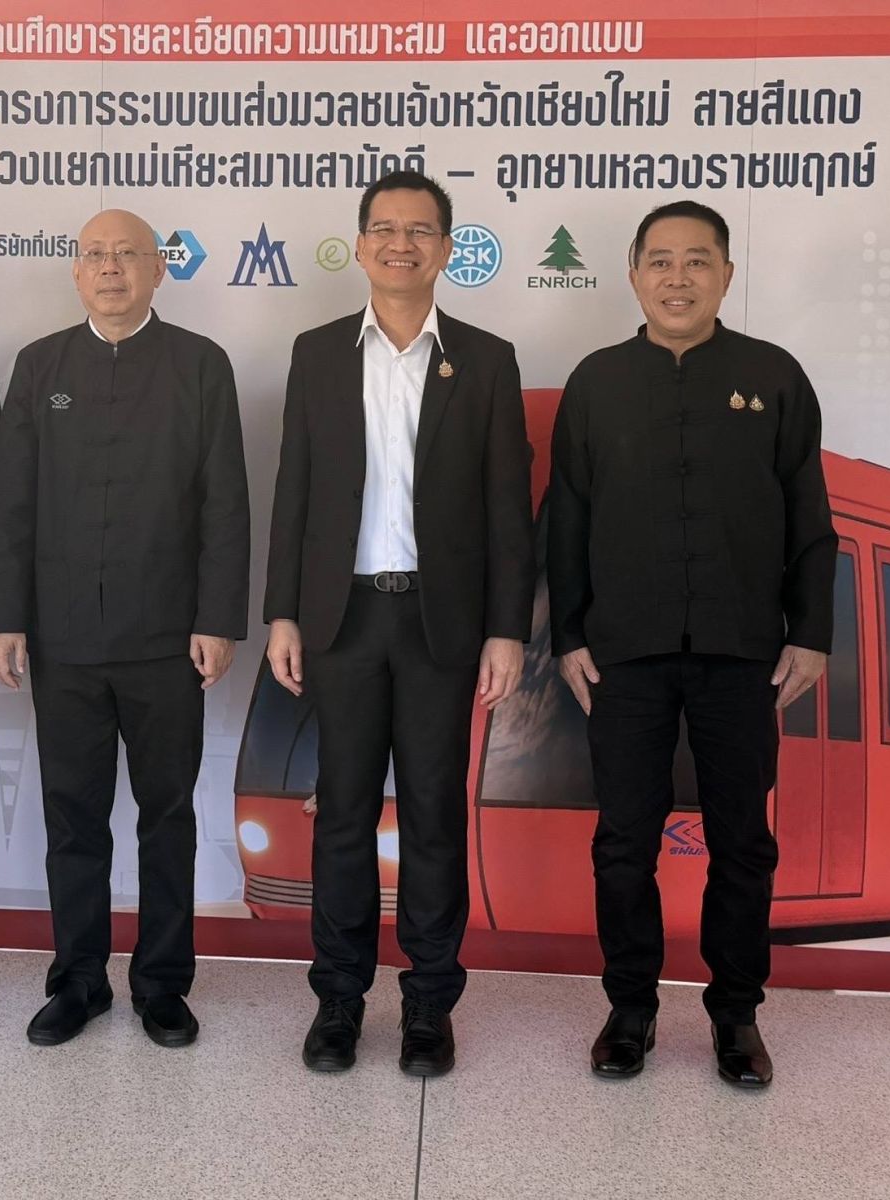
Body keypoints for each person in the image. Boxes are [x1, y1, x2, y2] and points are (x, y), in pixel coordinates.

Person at [547, 200, 838, 1088]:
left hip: (739, 651)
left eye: (697, 260)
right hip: (623, 653)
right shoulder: (595, 381)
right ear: (634, 274)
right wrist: (566, 636)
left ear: (725, 274)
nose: (678, 277)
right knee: (622, 843)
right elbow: (567, 519)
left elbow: (809, 517)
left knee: (742, 842)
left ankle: (735, 1015)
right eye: (661, 260)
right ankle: (629, 1008)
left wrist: (811, 634)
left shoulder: (772, 376)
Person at [263, 171, 535, 1077]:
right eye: (384, 228)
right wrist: (281, 612)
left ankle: (427, 1005)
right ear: (360, 245)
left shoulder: (485, 360)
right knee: (341, 815)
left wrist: (506, 628)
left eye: (419, 231)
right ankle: (338, 1001)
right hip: (341, 619)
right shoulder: (317, 353)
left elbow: (507, 507)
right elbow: (294, 491)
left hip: (438, 622)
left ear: (445, 249)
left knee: (430, 817)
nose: (400, 244)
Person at [0, 209, 249, 1049]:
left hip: (167, 639)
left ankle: (162, 985)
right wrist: (6, 618)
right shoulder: (41, 365)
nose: (110, 268)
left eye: (126, 254)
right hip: (62, 639)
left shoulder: (199, 364)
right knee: (72, 817)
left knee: (167, 817)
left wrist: (217, 618)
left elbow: (224, 502)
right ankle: (78, 980)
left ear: (157, 268)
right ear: (74, 270)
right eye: (95, 254)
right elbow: (9, 501)